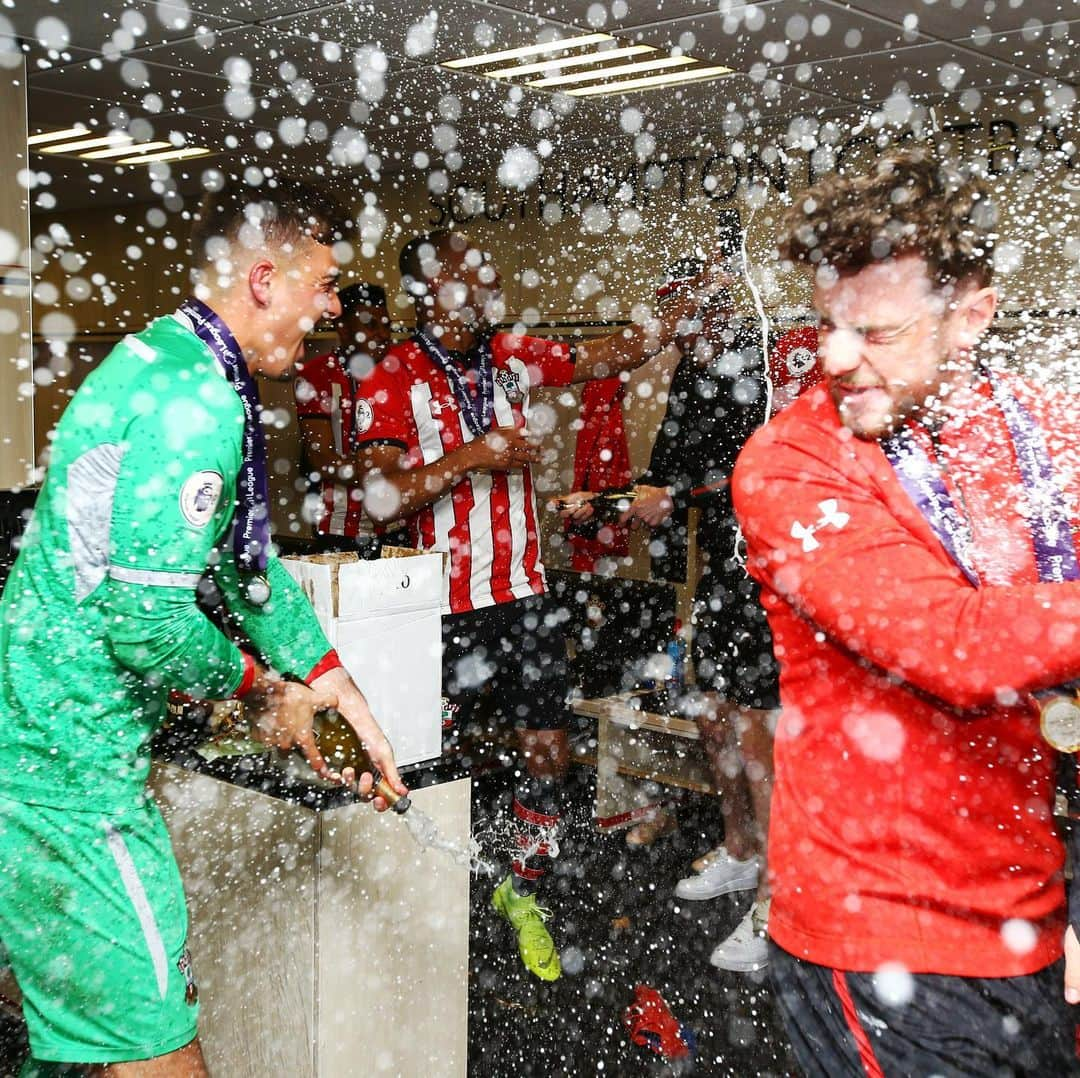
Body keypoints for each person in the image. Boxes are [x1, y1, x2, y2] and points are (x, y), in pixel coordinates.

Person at [0, 177, 405, 1076]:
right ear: (264, 278)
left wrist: (333, 683)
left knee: (77, 1043)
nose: (333, 309)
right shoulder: (198, 405)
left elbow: (246, 566)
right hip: (75, 783)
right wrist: (261, 690)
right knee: (154, 1051)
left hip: (42, 753)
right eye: (324, 284)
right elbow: (145, 624)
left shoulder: (174, 362)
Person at [732, 147, 1080, 1074]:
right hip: (877, 931)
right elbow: (952, 645)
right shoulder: (790, 463)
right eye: (826, 325)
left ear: (969, 317)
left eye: (877, 334)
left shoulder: (1046, 431)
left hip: (1033, 912)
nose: (836, 360)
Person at [353, 229, 728, 982]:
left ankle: (524, 890)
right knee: (431, 757)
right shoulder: (390, 375)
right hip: (436, 605)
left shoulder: (508, 354)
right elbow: (381, 497)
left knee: (546, 748)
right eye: (471, 274)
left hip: (521, 592)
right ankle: (423, 899)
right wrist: (474, 457)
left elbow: (603, 357)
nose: (489, 283)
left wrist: (679, 312)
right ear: (431, 288)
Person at [559, 265, 819, 974]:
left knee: (759, 732)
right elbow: (669, 482)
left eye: (694, 314)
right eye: (675, 317)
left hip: (778, 577)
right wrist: (609, 503)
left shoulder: (764, 364)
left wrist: (675, 497)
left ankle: (778, 902)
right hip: (725, 579)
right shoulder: (689, 373)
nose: (683, 331)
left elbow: (759, 472)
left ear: (722, 306)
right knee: (712, 711)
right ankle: (740, 849)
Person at [295, 282, 395, 553]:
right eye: (371, 325)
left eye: (387, 325)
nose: (383, 334)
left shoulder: (400, 375)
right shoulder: (317, 375)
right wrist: (389, 475)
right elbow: (322, 460)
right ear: (343, 328)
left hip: (397, 526)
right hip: (338, 527)